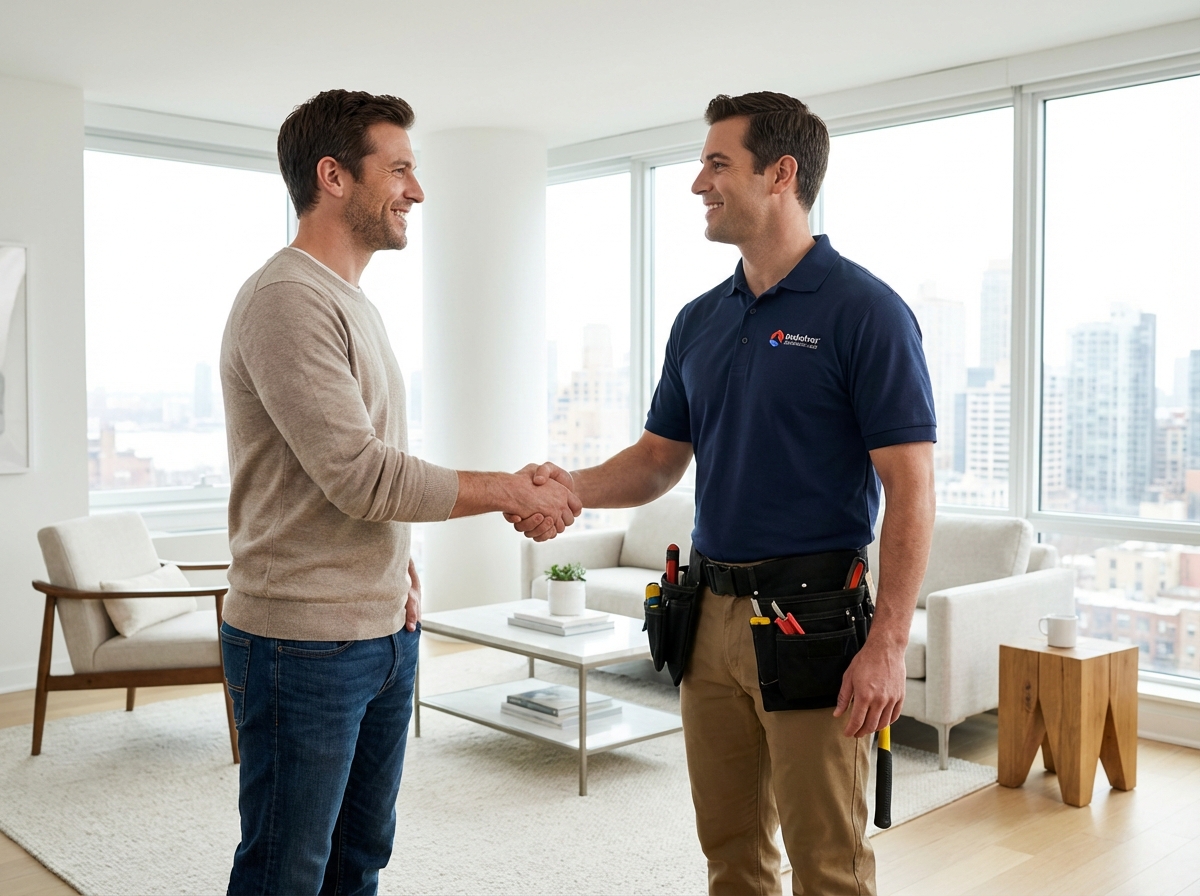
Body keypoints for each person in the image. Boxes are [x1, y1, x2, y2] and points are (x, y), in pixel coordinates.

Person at [513, 92, 937, 895]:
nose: (697, 182)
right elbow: (655, 462)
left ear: (781, 173)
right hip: (707, 616)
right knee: (730, 852)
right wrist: (566, 487)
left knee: (829, 865)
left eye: (717, 162)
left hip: (810, 619)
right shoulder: (700, 320)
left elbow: (910, 491)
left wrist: (886, 645)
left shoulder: (866, 312)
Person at [218, 89, 578, 896]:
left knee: (359, 861)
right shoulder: (287, 300)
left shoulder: (350, 301)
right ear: (333, 176)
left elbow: (353, 473)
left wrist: (394, 569)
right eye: (402, 169)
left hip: (380, 630)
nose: (418, 190)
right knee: (286, 870)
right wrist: (511, 489)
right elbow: (362, 475)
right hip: (302, 643)